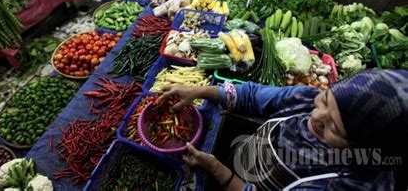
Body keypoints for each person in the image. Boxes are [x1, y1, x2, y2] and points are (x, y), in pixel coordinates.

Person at [158, 69, 408, 190]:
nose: (317, 116)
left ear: (361, 146)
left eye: (335, 127)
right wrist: (200, 91)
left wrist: (215, 168)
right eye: (327, 99)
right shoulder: (306, 97)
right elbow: (253, 96)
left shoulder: (345, 185)